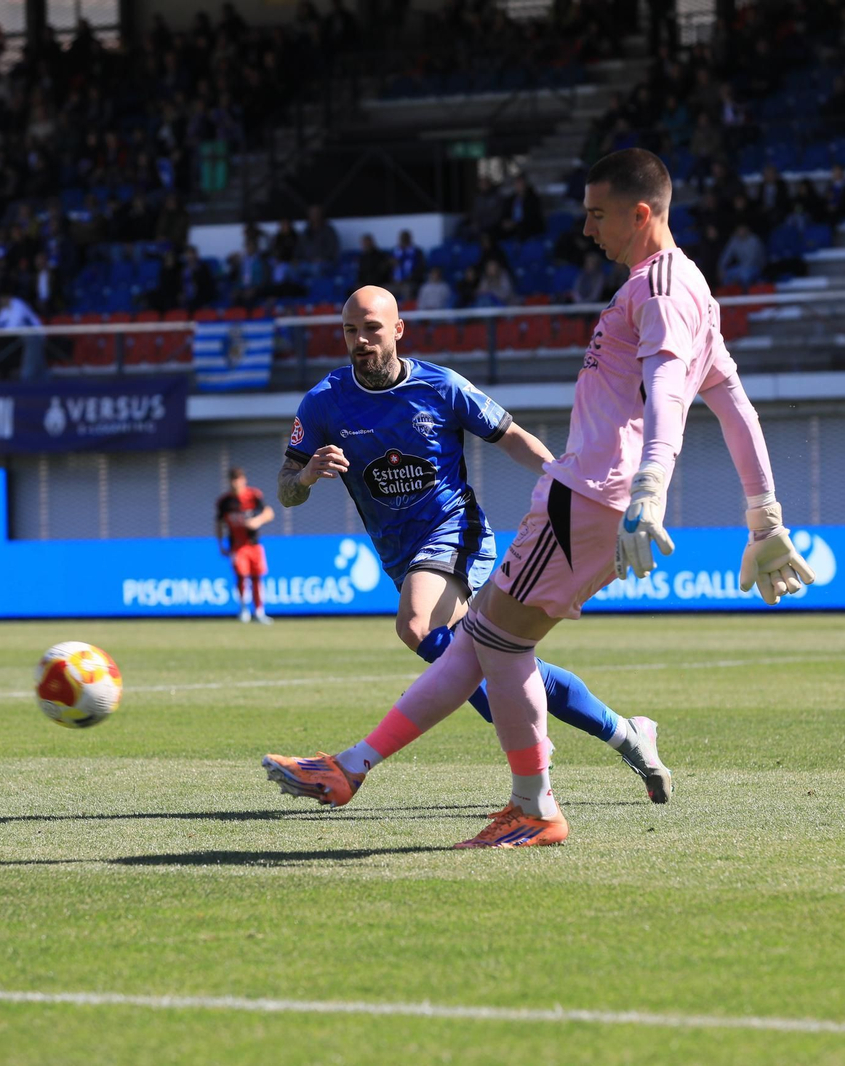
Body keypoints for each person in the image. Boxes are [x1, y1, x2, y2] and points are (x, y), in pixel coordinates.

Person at [263, 150, 813, 848]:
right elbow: (734, 403)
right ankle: (354, 767)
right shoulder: (687, 286)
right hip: (597, 498)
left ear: (640, 213)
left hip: (586, 496)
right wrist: (763, 514)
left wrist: (651, 487)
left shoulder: (661, 290)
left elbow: (675, 393)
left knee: (490, 644)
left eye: (596, 214)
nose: (586, 229)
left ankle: (532, 805)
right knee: (484, 643)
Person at [264, 284, 673, 808]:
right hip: (400, 553)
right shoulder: (324, 401)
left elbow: (512, 437)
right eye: (350, 330)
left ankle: (527, 750)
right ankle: (627, 733)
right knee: (495, 654)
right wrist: (306, 478)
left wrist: (568, 491)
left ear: (397, 330)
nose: (361, 340)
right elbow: (286, 488)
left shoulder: (441, 386)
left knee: (417, 624)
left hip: (456, 534)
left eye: (371, 328)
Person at [216, 467, 275, 624]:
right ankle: (243, 609)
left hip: (254, 544)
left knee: (257, 577)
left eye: (239, 479)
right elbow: (219, 523)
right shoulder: (224, 502)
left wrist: (257, 521)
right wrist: (220, 543)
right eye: (233, 480)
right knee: (241, 576)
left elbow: (269, 513)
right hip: (237, 545)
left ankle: (259, 611)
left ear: (244, 480)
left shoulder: (254, 495)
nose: (236, 483)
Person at [0, 284, 45, 380]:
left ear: (7, 297)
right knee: (39, 364)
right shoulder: (5, 309)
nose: (0, 301)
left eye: (2, 298)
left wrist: (0, 330)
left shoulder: (18, 304)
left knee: (30, 365)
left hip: (34, 335)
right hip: (23, 337)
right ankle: (45, 382)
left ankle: (26, 384)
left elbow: (13, 326)